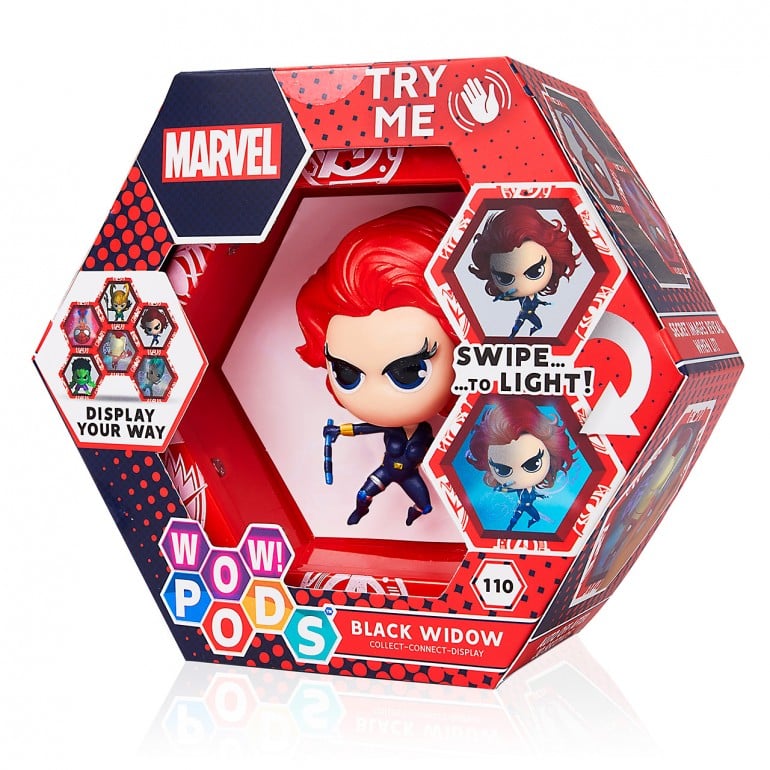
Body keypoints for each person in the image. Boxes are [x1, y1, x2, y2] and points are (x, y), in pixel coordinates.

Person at [296, 206, 457, 526]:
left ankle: (416, 512)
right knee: (365, 494)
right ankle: (362, 510)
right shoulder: (394, 425)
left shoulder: (427, 434)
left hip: (410, 475)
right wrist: (337, 431)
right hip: (388, 471)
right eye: (346, 374)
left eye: (408, 372)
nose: (376, 399)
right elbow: (362, 428)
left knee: (424, 505)